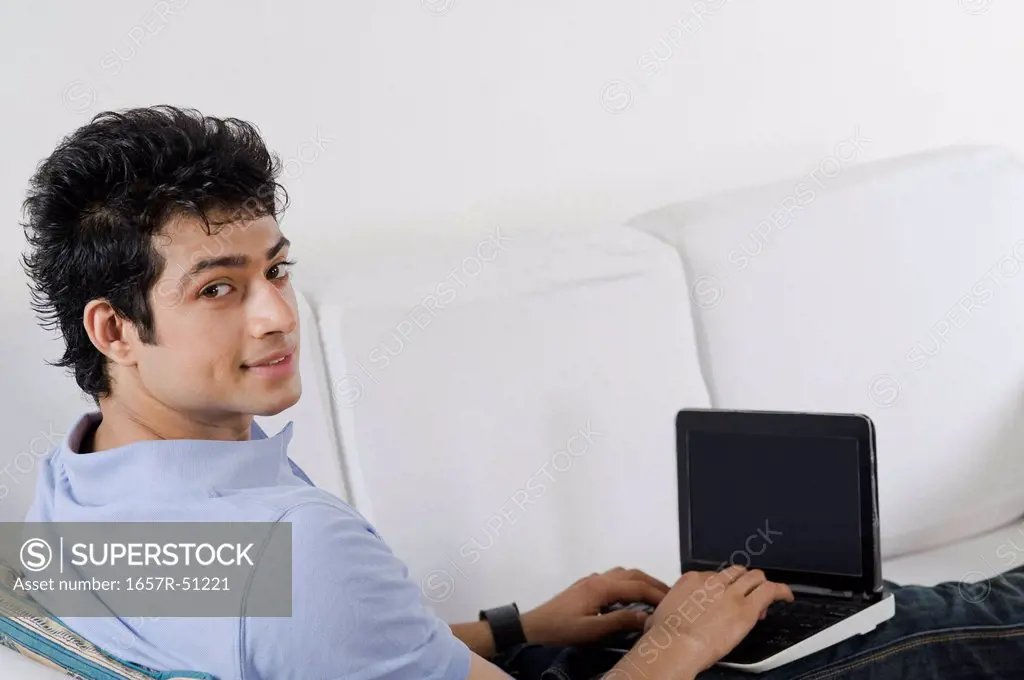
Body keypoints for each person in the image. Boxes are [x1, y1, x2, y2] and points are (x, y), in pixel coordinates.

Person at [18, 106, 1024, 680]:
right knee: (976, 617)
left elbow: (311, 653)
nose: (278, 314)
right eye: (220, 288)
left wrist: (516, 625)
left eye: (275, 268)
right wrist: (674, 643)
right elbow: (307, 611)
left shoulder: (74, 501)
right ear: (114, 327)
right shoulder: (298, 545)